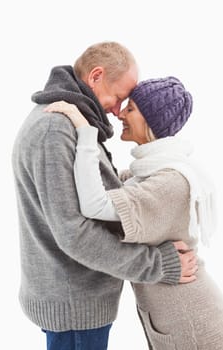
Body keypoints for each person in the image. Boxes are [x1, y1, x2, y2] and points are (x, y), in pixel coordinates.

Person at [12, 42, 196, 350]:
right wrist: (158, 265)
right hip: (74, 307)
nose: (117, 110)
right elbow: (75, 235)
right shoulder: (56, 130)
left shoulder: (70, 122)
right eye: (119, 98)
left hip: (76, 300)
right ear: (96, 76)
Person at [44, 76, 223, 349]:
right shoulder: (147, 172)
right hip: (172, 317)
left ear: (152, 121)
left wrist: (84, 129)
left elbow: (97, 203)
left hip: (191, 321)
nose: (120, 114)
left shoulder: (169, 182)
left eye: (131, 109)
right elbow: (112, 183)